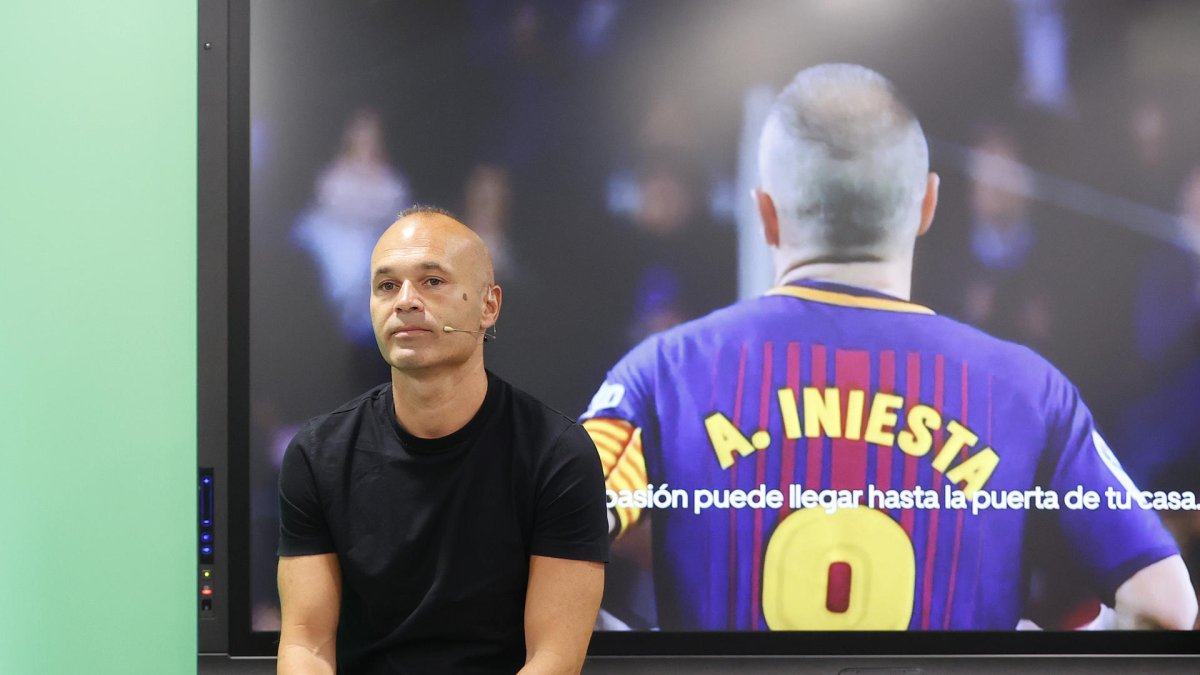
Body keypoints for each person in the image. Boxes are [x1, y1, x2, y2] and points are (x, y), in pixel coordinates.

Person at [580, 63, 1196, 631]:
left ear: (766, 214)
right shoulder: (1028, 392)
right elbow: (1167, 607)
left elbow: (537, 540)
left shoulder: (661, 377)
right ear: (928, 205)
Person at [276, 206, 609, 674]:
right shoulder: (318, 454)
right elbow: (305, 646)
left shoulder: (557, 454)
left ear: (489, 306)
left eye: (432, 281)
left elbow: (554, 658)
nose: (405, 301)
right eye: (386, 286)